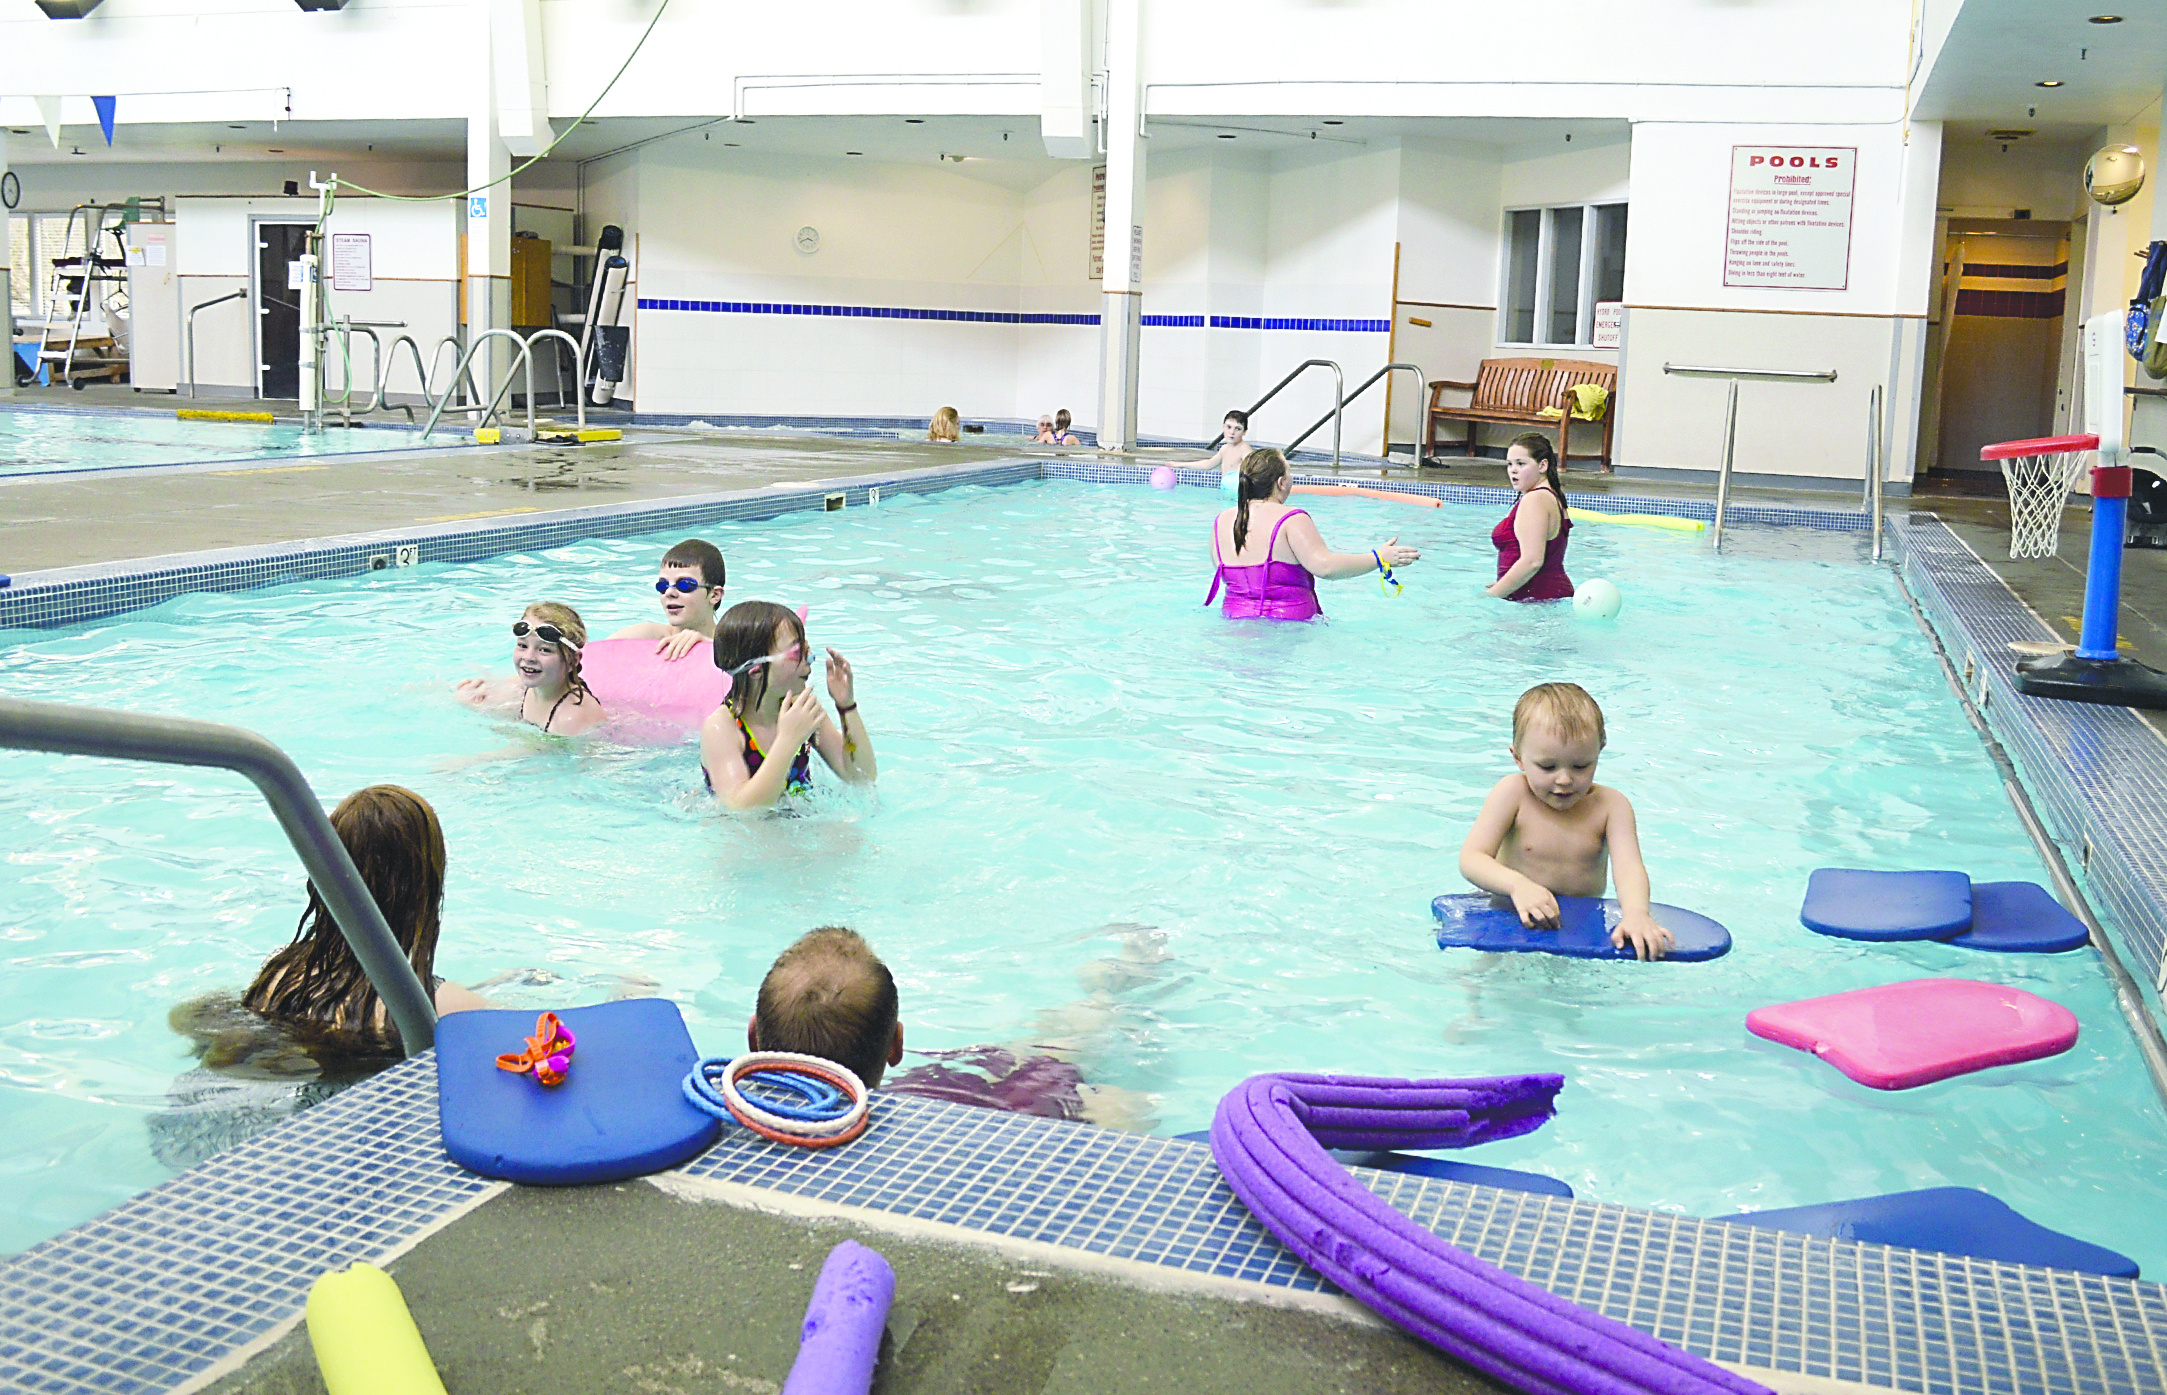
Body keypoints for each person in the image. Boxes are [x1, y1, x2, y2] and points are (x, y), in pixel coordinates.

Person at [153, 786, 492, 1168]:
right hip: (319, 1154)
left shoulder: (281, 971)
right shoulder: (441, 1004)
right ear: (426, 887)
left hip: (197, 1128)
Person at [746, 926, 1155, 1127]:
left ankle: (1106, 990)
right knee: (1056, 1059)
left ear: (753, 1039)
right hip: (957, 1097)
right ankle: (1110, 987)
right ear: (896, 1046)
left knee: (1051, 1051)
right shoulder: (928, 1114)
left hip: (942, 1098)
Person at [1456, 683, 1674, 960]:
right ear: (1518, 757)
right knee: (1484, 984)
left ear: (1599, 752)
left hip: (1577, 924)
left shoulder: (1611, 807)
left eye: (1581, 765)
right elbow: (1472, 858)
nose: (1564, 779)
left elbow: (1629, 868)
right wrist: (1517, 885)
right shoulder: (1512, 794)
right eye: (1547, 767)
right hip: (1509, 914)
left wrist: (1637, 914)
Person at [699, 600, 876, 810]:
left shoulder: (801, 709)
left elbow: (861, 777)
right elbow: (741, 809)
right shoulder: (721, 727)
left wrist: (847, 706)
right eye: (797, 653)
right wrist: (789, 739)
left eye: (807, 649)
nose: (810, 659)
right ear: (756, 671)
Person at [1206, 448, 1420, 621]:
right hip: (1291, 628)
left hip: (1233, 624)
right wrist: (1378, 558)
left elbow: (1224, 572)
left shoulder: (1221, 522)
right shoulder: (1291, 519)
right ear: (1281, 482)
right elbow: (1325, 567)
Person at [454, 602, 607, 736]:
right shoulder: (525, 685)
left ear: (572, 661)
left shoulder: (571, 718)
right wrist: (470, 701)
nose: (529, 657)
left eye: (545, 650)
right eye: (523, 646)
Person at [1487, 432, 1574, 602]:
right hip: (1546, 596)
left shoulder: (1535, 499)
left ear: (1542, 466)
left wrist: (1491, 596)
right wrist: (1504, 583)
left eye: (1521, 463)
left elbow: (1532, 561)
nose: (1513, 470)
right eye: (1509, 464)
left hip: (1536, 600)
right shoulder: (1552, 497)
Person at [610, 538, 726, 661]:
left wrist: (709, 647)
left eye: (684, 585)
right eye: (663, 586)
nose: (669, 592)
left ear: (715, 595)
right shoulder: (646, 636)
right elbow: (593, 655)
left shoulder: (733, 643)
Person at [1178, 408, 1254, 480]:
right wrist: (1180, 464)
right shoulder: (1224, 449)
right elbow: (1208, 464)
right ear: (1223, 427)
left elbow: (1254, 472)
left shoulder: (1244, 449)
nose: (1232, 432)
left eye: (1238, 429)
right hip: (1227, 492)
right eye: (1229, 427)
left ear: (1244, 432)